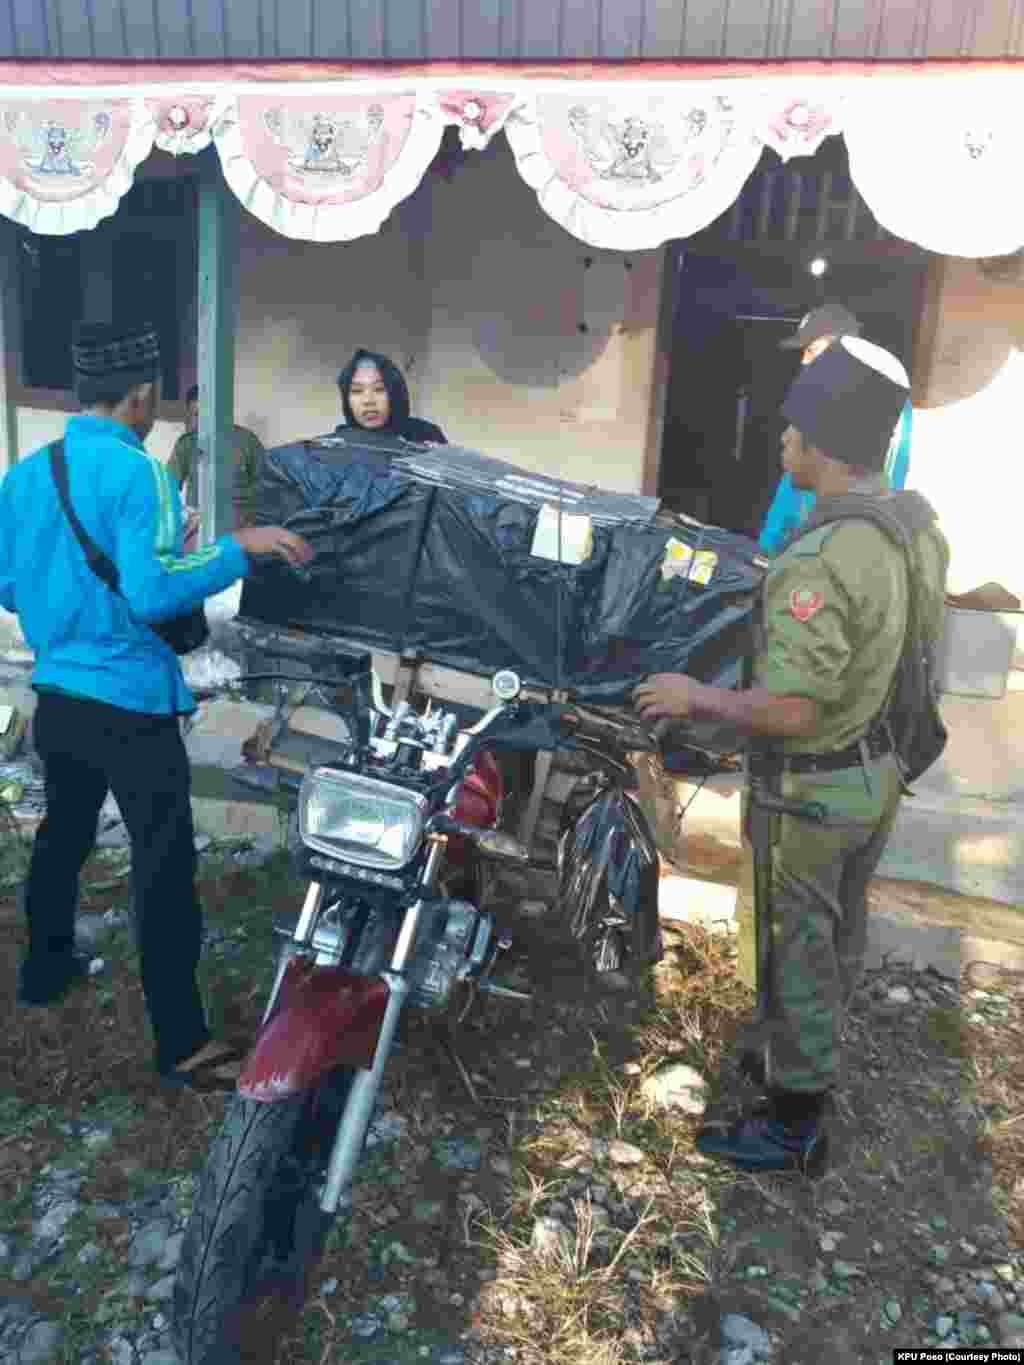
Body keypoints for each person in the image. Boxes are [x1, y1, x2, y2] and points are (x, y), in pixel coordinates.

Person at [634, 337, 948, 1174]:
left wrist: (693, 697)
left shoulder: (821, 557)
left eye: (791, 429)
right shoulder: (914, 528)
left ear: (822, 441)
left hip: (811, 791)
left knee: (795, 943)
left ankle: (795, 1122)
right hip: (873, 773)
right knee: (834, 935)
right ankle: (789, 1054)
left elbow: (794, 706)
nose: (781, 442)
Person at [2, 321, 313, 1092]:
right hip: (132, 705)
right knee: (163, 868)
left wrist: (63, 612)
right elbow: (150, 592)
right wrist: (241, 548)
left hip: (58, 694)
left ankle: (45, 972)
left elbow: (7, 582)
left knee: (62, 837)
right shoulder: (139, 474)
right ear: (141, 393)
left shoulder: (25, 473)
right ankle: (182, 1042)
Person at [758, 302, 913, 554]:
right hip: (798, 543)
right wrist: (768, 543)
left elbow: (886, 482)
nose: (804, 361)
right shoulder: (818, 397)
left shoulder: (882, 406)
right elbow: (792, 479)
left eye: (813, 350)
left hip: (835, 547)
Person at [167, 384, 265, 530]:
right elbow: (168, 488)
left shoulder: (247, 441)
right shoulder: (186, 444)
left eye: (205, 414)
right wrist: (186, 516)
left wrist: (251, 519)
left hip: (242, 528)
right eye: (196, 415)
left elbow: (267, 489)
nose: (201, 421)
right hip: (199, 528)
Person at [337, 349, 447, 444]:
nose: (368, 401)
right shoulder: (336, 449)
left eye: (379, 389)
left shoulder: (427, 436)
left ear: (395, 393)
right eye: (357, 391)